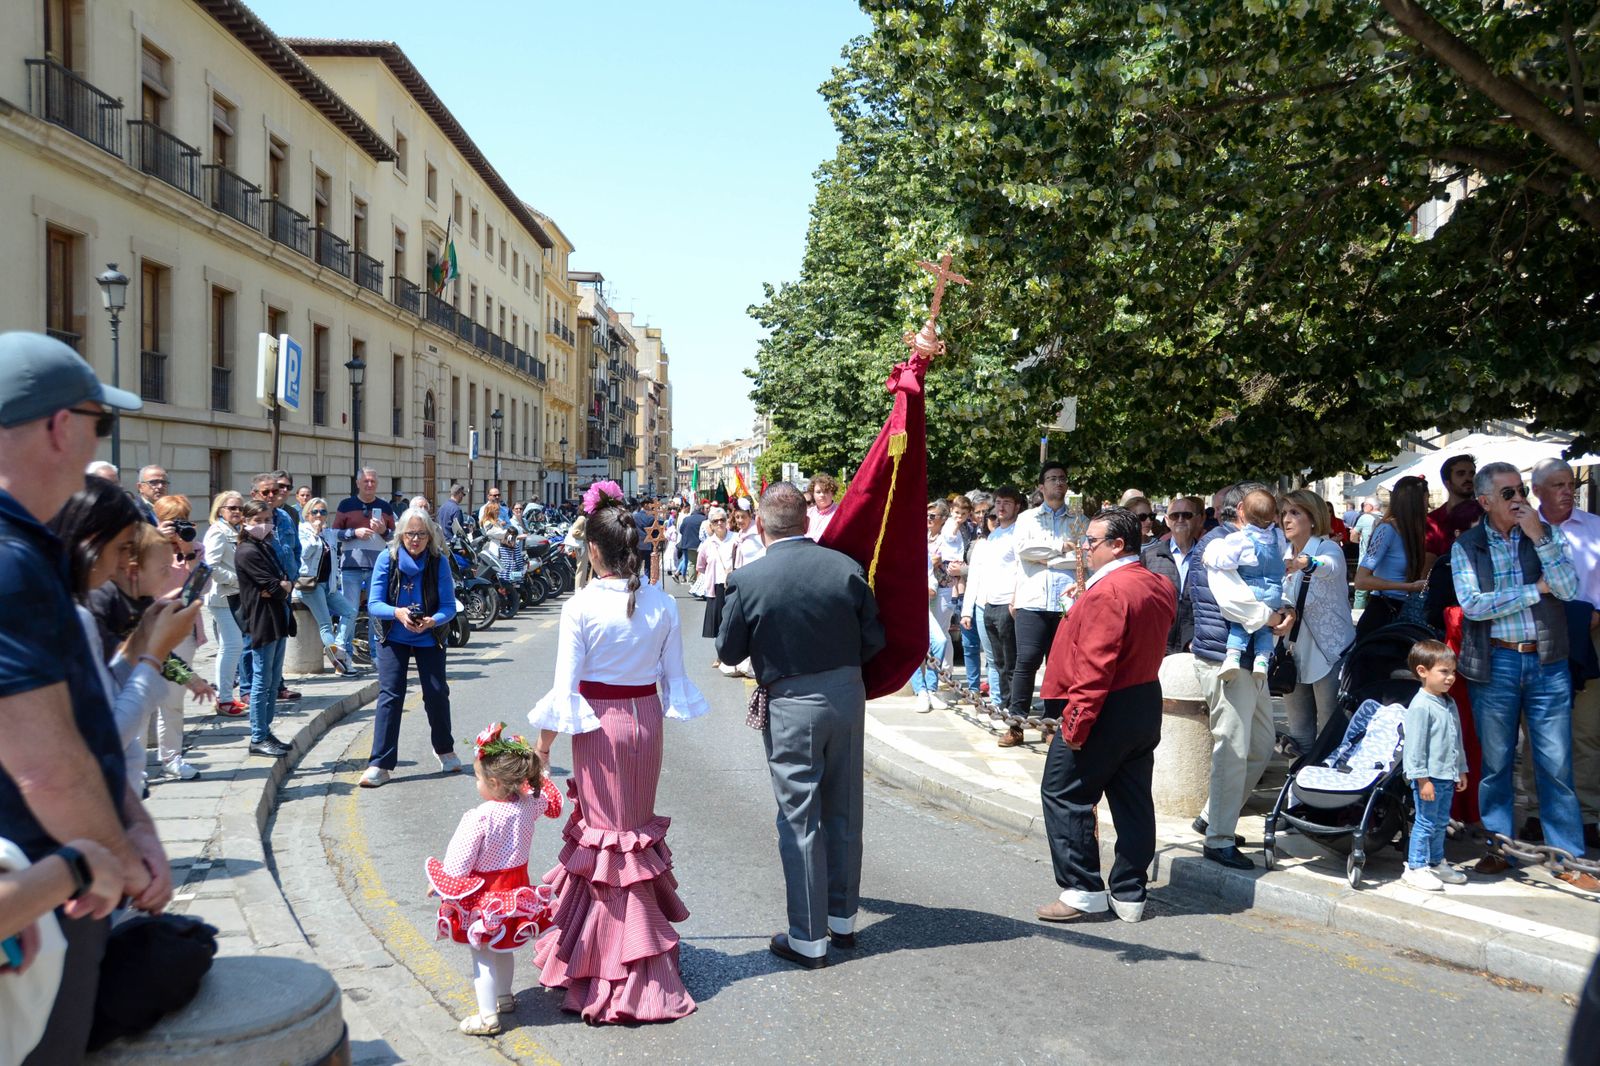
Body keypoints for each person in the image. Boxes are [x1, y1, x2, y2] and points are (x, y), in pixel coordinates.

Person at [0, 330, 171, 1065]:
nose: (100, 440)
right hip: (44, 885)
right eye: (99, 422)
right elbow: (47, 763)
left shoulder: (25, 550)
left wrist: (130, 822)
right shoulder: (11, 561)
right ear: (61, 427)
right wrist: (115, 862)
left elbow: (80, 733)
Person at [527, 483, 709, 1021]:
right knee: (631, 834)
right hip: (645, 722)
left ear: (592, 551)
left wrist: (540, 752)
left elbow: (566, 690)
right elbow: (674, 680)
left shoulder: (580, 606)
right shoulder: (662, 603)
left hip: (599, 726)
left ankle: (613, 966)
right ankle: (635, 952)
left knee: (607, 842)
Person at [716, 482, 885, 969]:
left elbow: (728, 652)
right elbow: (874, 637)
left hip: (792, 699)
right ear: (807, 522)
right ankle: (843, 918)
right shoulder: (845, 566)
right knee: (844, 806)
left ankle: (809, 937)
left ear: (762, 526)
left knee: (800, 817)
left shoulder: (749, 578)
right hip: (848, 693)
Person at [1452, 462, 1595, 889]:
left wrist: (1538, 538)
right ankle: (1499, 849)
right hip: (1497, 662)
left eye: (1521, 491)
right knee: (1496, 765)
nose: (1520, 500)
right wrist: (1535, 591)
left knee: (1556, 764)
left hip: (1547, 662)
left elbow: (1569, 590)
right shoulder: (1469, 546)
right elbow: (1474, 605)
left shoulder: (1544, 536)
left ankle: (1569, 859)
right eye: (1510, 493)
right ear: (1485, 501)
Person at [1034, 507, 1176, 923]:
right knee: (1132, 798)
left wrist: (1076, 723)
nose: (1085, 549)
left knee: (1064, 792)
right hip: (1142, 699)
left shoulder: (1110, 592)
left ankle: (1082, 890)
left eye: (1092, 543)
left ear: (1117, 546)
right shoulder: (1156, 584)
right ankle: (1130, 894)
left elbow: (1096, 666)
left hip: (1105, 705)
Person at [427, 724, 563, 1037]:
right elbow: (546, 795)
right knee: (504, 949)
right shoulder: (528, 807)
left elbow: (458, 864)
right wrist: (537, 766)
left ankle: (487, 1017)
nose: (476, 784)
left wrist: (441, 884)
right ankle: (504, 998)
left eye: (477, 778)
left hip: (484, 897)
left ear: (492, 781)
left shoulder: (480, 816)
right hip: (516, 894)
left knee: (483, 957)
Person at [1188, 482, 1293, 870]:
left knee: (1261, 744)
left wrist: (1286, 611)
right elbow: (1233, 600)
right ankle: (1218, 838)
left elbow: (1274, 586)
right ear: (1243, 513)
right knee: (1232, 748)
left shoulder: (1253, 543)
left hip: (1250, 660)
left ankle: (1213, 816)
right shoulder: (1219, 546)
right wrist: (1272, 617)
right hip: (1225, 660)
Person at [360, 508, 460, 787]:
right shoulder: (386, 559)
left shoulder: (439, 561)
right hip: (394, 633)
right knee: (391, 695)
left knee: (437, 693)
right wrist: (398, 613)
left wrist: (432, 621)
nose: (415, 539)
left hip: (429, 636)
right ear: (400, 535)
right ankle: (380, 763)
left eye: (421, 534)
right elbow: (374, 604)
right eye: (410, 534)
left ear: (430, 536)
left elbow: (449, 607)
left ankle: (445, 750)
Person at [1533, 458, 1600, 846]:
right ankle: (1534, 813)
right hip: (1540, 635)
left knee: (1587, 731)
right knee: (1539, 728)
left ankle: (1589, 815)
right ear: (1537, 490)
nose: (1566, 490)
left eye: (1569, 483)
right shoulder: (1525, 530)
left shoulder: (1594, 528)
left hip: (1589, 635)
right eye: (1556, 484)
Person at [1003, 462, 1083, 747]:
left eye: (1062, 478)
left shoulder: (1078, 520)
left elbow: (1081, 559)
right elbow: (1024, 550)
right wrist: (1060, 549)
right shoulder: (1027, 519)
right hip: (1032, 601)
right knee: (1026, 661)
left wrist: (1045, 557)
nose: (1058, 483)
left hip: (1065, 602)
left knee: (1059, 665)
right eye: (1051, 479)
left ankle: (1051, 723)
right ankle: (1016, 723)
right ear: (1041, 486)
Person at [1279, 490, 1356, 756]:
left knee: (1330, 730)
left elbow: (1329, 566)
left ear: (1313, 519)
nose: (1286, 519)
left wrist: (1306, 562)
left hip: (1329, 653)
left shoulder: (1327, 548)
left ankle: (1326, 792)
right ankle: (1297, 795)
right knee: (1298, 734)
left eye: (1295, 512)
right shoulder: (1283, 552)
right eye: (1284, 513)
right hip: (1293, 653)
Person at [148, 494, 211, 780]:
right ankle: (135, 769)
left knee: (173, 700)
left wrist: (187, 553)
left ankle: (172, 758)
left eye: (181, 520)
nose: (176, 528)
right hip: (148, 632)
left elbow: (203, 587)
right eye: (169, 521)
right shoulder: (146, 546)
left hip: (183, 632)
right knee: (141, 701)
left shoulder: (196, 548)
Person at [1401, 640, 1471, 891]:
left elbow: (1456, 739)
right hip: (1429, 779)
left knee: (1441, 822)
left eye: (1452, 671)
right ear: (1422, 671)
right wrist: (1422, 780)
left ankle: (1435, 861)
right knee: (1425, 822)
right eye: (1444, 672)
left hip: (1446, 775)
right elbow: (1415, 748)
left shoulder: (1448, 702)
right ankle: (1415, 866)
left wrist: (1461, 768)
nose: (1450, 677)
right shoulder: (1421, 706)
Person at [234, 500, 296, 759]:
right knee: (261, 681)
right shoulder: (247, 550)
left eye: (267, 519)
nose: (263, 524)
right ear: (245, 521)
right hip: (261, 620)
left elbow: (286, 578)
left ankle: (266, 730)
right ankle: (258, 736)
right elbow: (274, 585)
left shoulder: (267, 545)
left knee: (272, 680)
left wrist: (281, 586)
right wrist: (280, 586)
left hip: (277, 617)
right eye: (257, 520)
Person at [1208, 489, 1290, 679]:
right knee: (1264, 630)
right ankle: (1262, 661)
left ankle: (1233, 657)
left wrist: (1210, 558)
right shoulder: (1278, 537)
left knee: (1241, 625)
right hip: (1274, 592)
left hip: (1251, 589)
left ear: (1240, 510)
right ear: (1274, 516)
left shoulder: (1241, 539)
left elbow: (1225, 561)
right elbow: (1282, 555)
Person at [963, 488, 1021, 708]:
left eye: (1007, 502)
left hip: (1009, 605)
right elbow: (978, 575)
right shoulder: (993, 537)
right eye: (998, 503)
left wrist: (1015, 600)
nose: (1001, 507)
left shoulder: (1019, 533)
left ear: (1016, 506)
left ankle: (1013, 709)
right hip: (989, 605)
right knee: (997, 661)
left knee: (1011, 662)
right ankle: (1002, 706)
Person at [1354, 476, 1431, 638]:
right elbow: (1361, 580)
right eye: (1426, 498)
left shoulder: (1415, 531)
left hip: (1406, 611)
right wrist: (1409, 587)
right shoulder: (1387, 530)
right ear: (1415, 501)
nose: (1428, 505)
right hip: (1383, 612)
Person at [295, 498, 357, 676]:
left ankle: (337, 646)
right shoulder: (302, 531)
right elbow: (304, 554)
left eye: (323, 512)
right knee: (326, 625)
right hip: (310, 585)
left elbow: (342, 539)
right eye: (315, 512)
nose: (319, 515)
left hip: (327, 584)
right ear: (307, 514)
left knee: (350, 612)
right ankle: (340, 664)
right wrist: (314, 534)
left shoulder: (328, 533)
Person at [202, 491, 249, 716]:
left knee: (230, 646)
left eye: (240, 508)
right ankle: (224, 699)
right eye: (232, 508)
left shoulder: (235, 530)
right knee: (233, 646)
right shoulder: (217, 531)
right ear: (220, 510)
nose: (237, 512)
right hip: (221, 596)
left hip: (233, 595)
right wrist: (236, 580)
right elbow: (210, 565)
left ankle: (226, 697)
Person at [1140, 494, 1203, 653]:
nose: (1180, 519)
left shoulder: (1210, 557)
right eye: (1175, 515)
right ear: (1167, 520)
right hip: (1157, 644)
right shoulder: (1149, 556)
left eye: (1187, 515)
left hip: (1194, 645)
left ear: (1197, 519)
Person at [333, 467, 397, 618]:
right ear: (358, 483)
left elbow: (395, 538)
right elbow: (334, 534)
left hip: (378, 566)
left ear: (377, 484)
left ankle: (376, 643)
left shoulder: (385, 507)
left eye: (372, 481)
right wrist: (354, 533)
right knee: (349, 611)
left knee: (376, 611)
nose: (369, 484)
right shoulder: (345, 505)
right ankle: (344, 642)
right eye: (366, 481)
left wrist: (383, 531)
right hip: (351, 566)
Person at [696, 507, 732, 657]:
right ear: (710, 525)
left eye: (722, 520)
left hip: (733, 586)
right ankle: (721, 655)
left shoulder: (735, 539)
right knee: (719, 623)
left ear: (727, 521)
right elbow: (700, 566)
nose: (719, 523)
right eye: (715, 521)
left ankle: (734, 655)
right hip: (716, 586)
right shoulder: (707, 544)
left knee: (732, 622)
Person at [676, 500, 706, 581]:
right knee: (702, 563)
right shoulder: (704, 519)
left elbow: (681, 530)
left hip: (689, 544)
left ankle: (692, 581)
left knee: (691, 563)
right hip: (701, 545)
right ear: (702, 510)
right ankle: (701, 581)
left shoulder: (687, 519)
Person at [806, 472, 841, 540]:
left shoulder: (839, 513)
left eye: (826, 491)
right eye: (818, 492)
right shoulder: (807, 513)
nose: (822, 495)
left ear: (832, 493)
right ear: (813, 493)